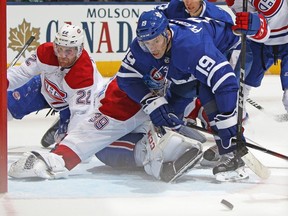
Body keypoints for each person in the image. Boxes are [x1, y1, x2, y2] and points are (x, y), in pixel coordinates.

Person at [9, 9, 247, 182]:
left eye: (155, 41)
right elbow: (127, 78)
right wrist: (154, 103)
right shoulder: (143, 46)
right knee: (177, 112)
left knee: (101, 147)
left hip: (129, 102)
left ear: (167, 33)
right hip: (150, 96)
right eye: (146, 42)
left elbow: (226, 83)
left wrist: (228, 134)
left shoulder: (191, 46)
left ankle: (163, 151)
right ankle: (173, 144)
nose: (151, 48)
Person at [7, 24, 104, 148]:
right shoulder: (45, 52)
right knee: (5, 106)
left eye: (69, 51)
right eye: (59, 49)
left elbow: (80, 113)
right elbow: (22, 73)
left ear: (79, 50)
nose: (62, 56)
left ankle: (63, 123)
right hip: (44, 88)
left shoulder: (84, 75)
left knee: (65, 142)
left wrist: (70, 145)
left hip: (71, 105)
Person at [225, 0, 288, 114]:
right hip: (260, 45)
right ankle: (237, 114)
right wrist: (254, 27)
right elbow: (259, 29)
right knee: (243, 85)